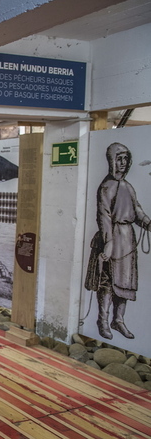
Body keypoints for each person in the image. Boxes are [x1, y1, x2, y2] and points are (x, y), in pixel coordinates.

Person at [85, 142, 151, 340]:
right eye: (119, 159)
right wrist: (108, 242)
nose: (122, 163)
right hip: (112, 239)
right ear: (112, 160)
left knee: (126, 283)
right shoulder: (106, 187)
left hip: (127, 241)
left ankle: (118, 320)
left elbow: (137, 211)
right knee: (107, 283)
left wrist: (147, 222)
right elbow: (103, 216)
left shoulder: (128, 187)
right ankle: (103, 321)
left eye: (125, 159)